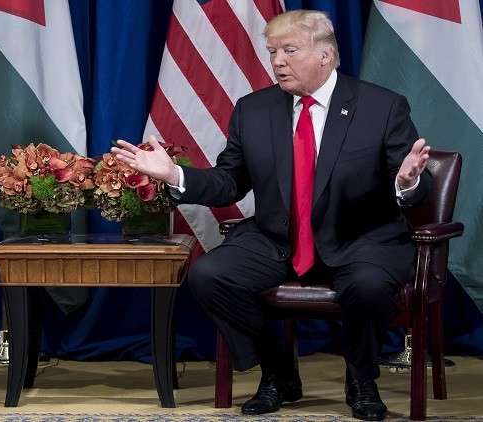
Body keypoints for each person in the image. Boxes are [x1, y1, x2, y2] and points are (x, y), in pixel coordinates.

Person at [112, 10, 431, 421]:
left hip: (360, 237)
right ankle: (278, 371)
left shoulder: (381, 107)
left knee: (368, 286)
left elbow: (414, 185)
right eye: (273, 52)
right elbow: (229, 183)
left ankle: (361, 380)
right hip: (279, 238)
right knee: (210, 275)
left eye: (289, 51)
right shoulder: (253, 110)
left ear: (326, 55)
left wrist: (406, 181)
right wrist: (173, 174)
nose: (277, 61)